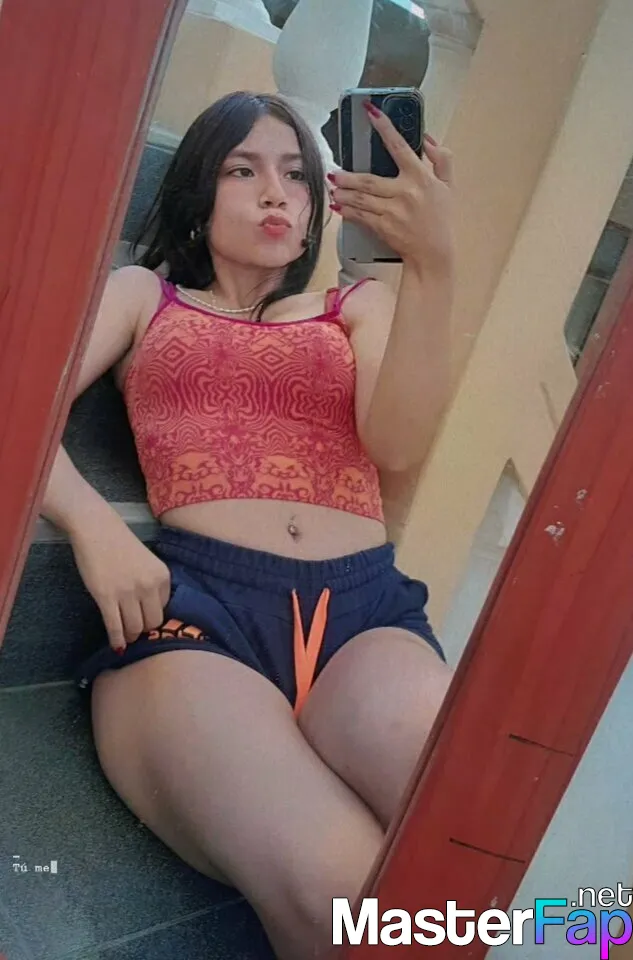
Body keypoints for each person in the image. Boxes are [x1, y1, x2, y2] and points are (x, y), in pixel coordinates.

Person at [42, 91, 455, 959]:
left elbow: (398, 443)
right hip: (201, 618)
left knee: (477, 839)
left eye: (297, 176)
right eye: (243, 170)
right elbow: (18, 404)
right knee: (350, 901)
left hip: (365, 619)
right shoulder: (146, 295)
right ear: (199, 194)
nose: (276, 193)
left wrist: (432, 268)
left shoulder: (357, 308)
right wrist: (93, 525)